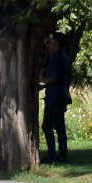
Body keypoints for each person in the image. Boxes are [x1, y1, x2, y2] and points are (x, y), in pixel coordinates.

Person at [39, 32, 72, 164]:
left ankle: (53, 156)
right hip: (57, 95)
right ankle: (61, 155)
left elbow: (56, 78)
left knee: (47, 126)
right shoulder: (58, 57)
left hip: (56, 97)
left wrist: (40, 79)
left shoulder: (59, 59)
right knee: (58, 126)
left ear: (57, 43)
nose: (48, 44)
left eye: (51, 41)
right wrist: (41, 86)